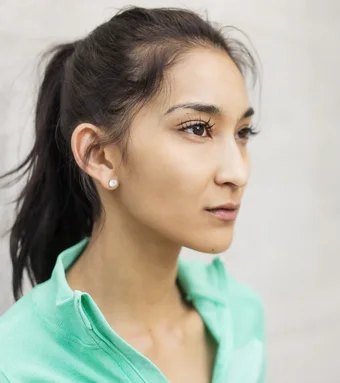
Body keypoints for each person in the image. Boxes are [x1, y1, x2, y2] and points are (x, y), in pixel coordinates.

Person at [0, 6, 265, 383]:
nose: (237, 172)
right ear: (99, 155)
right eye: (197, 129)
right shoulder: (16, 366)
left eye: (242, 133)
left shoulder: (242, 316)